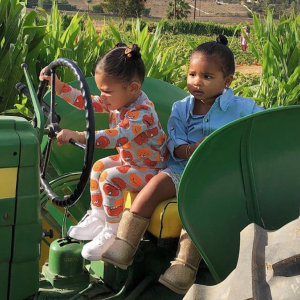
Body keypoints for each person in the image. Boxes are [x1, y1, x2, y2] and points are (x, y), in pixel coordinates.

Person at [101, 35, 264, 294]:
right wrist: (191, 149)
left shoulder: (241, 108)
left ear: (227, 81)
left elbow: (264, 123)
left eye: (207, 77)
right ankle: (125, 243)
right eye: (192, 74)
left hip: (218, 177)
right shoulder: (181, 108)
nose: (196, 82)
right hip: (182, 168)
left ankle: (185, 265)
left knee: (200, 207)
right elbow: (174, 144)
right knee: (154, 186)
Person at [39, 44, 168, 261]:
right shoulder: (119, 101)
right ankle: (98, 217)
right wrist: (59, 87)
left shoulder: (143, 113)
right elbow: (87, 102)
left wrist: (79, 136)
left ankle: (113, 230)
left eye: (106, 91)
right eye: (101, 90)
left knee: (110, 178)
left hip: (152, 168)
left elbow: (117, 136)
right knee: (98, 167)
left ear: (133, 88)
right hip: (132, 161)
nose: (102, 96)